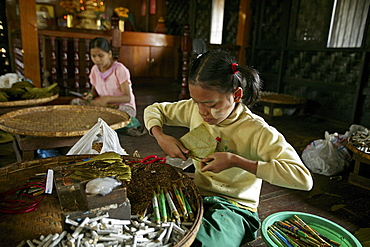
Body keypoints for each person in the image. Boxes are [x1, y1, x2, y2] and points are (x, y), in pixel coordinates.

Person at [143, 49, 313, 246]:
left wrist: (236, 161)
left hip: (236, 208)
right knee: (155, 229)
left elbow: (303, 179)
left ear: (237, 95)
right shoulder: (194, 109)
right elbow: (155, 109)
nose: (202, 112)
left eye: (211, 104)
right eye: (196, 102)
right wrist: (161, 136)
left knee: (202, 243)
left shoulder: (257, 131)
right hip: (197, 195)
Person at [71, 37, 145, 136]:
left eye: (101, 56)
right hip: (104, 107)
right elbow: (94, 89)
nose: (97, 59)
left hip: (122, 107)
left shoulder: (119, 69)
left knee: (113, 115)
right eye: (93, 56)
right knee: (75, 103)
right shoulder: (94, 70)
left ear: (109, 54)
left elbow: (127, 97)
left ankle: (99, 123)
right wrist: (90, 95)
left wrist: (107, 99)